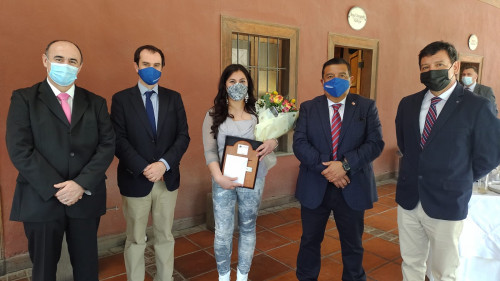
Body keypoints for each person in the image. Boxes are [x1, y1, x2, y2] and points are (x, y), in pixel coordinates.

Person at [5, 40, 115, 281]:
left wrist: (80, 184)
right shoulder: (24, 99)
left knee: (87, 268)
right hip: (40, 199)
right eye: (59, 59)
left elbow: (107, 146)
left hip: (84, 198)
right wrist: (57, 188)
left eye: (72, 61)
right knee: (43, 270)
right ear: (45, 61)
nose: (66, 65)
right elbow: (20, 148)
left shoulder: (95, 103)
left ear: (80, 67)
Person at [395, 41, 500, 281]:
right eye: (425, 66)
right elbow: (406, 146)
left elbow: (490, 154)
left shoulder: (478, 107)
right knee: (411, 263)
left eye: (439, 64)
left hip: (447, 200)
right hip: (409, 199)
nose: (432, 70)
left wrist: (459, 177)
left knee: (443, 271)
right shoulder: (408, 104)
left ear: (455, 66)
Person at [293, 58, 384, 281]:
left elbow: (375, 143)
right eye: (330, 76)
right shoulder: (308, 107)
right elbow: (300, 144)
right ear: (322, 80)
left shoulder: (366, 106)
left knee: (353, 245)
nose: (336, 80)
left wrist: (344, 166)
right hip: (315, 186)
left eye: (342, 76)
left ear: (351, 80)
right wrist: (329, 170)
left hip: (352, 186)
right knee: (309, 242)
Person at [111, 45, 190, 281]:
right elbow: (118, 139)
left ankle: (164, 278)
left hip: (167, 179)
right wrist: (145, 167)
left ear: (162, 68)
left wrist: (163, 164)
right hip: (135, 178)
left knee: (165, 235)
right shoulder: (121, 99)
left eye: (156, 65)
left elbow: (183, 136)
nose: (151, 69)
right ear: (136, 66)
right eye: (146, 64)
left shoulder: (173, 98)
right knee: (135, 239)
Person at [202, 64, 277, 281]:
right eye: (232, 81)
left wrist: (273, 141)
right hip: (223, 179)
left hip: (254, 179)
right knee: (223, 232)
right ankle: (224, 277)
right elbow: (209, 150)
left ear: (249, 84)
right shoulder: (213, 114)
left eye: (242, 81)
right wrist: (218, 178)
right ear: (224, 85)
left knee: (247, 227)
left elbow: (273, 135)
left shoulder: (259, 112)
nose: (237, 85)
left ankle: (243, 276)